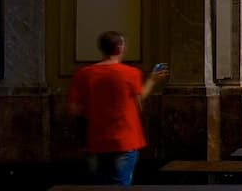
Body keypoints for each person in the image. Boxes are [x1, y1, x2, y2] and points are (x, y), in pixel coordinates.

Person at [69, 31, 168, 185]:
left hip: (96, 140)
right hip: (125, 140)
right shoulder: (131, 73)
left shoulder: (83, 74)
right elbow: (139, 101)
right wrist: (152, 80)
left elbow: (74, 109)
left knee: (99, 185)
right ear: (119, 48)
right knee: (120, 185)